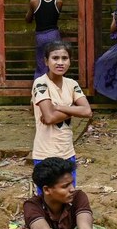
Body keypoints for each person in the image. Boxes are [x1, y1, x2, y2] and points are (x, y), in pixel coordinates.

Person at [31, 41, 92, 195]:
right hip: (45, 154)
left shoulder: (72, 84)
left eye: (64, 58)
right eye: (55, 58)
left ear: (70, 61)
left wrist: (58, 107)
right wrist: (73, 109)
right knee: (46, 200)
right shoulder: (40, 83)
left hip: (67, 152)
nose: (60, 62)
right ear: (46, 61)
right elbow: (50, 117)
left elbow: (87, 111)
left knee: (68, 196)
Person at [26, 0, 63, 80]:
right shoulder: (59, 2)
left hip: (40, 36)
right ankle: (56, 85)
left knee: (41, 63)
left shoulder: (34, 2)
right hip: (54, 35)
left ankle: (41, 87)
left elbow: (28, 19)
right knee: (55, 61)